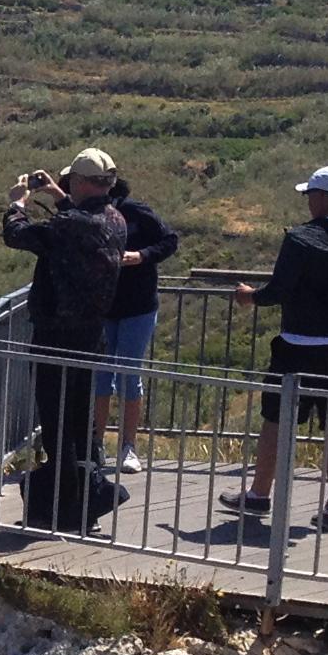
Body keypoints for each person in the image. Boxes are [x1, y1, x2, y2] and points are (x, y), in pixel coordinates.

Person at [226, 165, 328, 529]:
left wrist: (250, 297)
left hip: (298, 347)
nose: (308, 201)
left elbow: (279, 290)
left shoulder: (301, 238)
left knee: (277, 422)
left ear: (323, 197)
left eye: (310, 194)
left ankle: (260, 495)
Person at [2, 148, 129, 531]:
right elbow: (77, 221)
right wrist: (58, 193)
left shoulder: (75, 224)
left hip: (57, 338)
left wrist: (17, 203)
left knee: (58, 426)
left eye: (72, 181)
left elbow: (18, 234)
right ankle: (86, 501)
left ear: (83, 182)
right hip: (91, 337)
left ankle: (66, 508)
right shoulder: (115, 218)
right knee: (80, 421)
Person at [91, 172, 183, 474]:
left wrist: (141, 256)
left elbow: (170, 240)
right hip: (105, 307)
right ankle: (96, 444)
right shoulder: (91, 215)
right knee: (102, 376)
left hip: (138, 307)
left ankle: (128, 447)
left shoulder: (136, 211)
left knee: (130, 375)